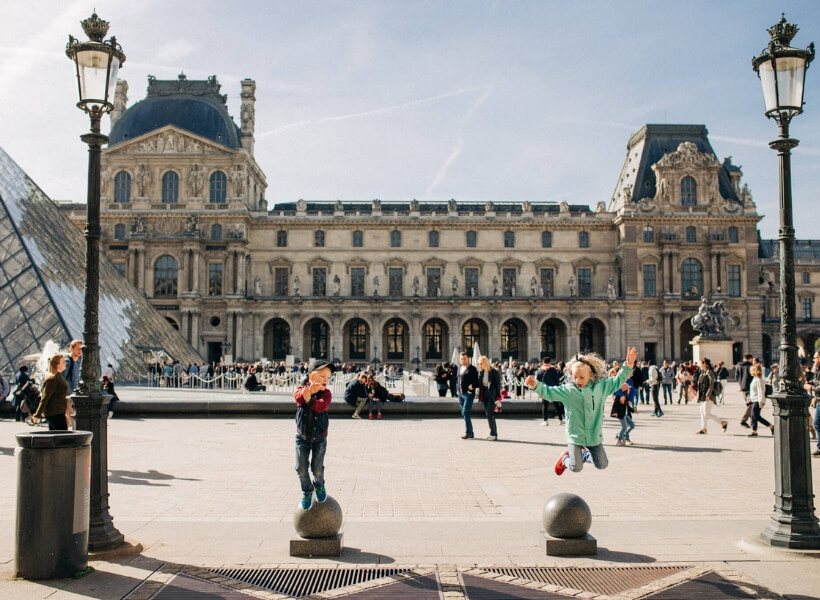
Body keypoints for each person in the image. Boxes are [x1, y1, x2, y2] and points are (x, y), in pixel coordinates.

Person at [525, 346, 637, 475]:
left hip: (594, 436)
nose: (578, 380)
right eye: (575, 377)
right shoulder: (568, 390)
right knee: (575, 467)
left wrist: (628, 365)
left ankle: (584, 455)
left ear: (590, 375)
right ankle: (564, 459)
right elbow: (549, 392)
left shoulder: (601, 387)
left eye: (582, 377)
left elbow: (618, 380)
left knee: (602, 464)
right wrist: (536, 385)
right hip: (575, 435)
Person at [293, 360, 334, 510]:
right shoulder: (302, 389)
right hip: (302, 437)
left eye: (328, 377)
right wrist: (308, 392)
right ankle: (307, 491)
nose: (325, 380)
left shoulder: (327, 394)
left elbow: (321, 406)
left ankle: (320, 485)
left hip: (320, 438)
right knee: (300, 467)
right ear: (311, 376)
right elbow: (297, 397)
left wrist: (310, 399)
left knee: (317, 468)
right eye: (322, 376)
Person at [33, 353, 72, 431]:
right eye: (63, 362)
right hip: (54, 413)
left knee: (55, 437)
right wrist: (37, 415)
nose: (66, 363)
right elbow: (45, 398)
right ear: (57, 365)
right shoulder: (52, 379)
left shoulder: (58, 376)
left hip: (58, 412)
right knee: (61, 436)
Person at [696, 358, 727, 434]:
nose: (699, 365)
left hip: (708, 395)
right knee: (702, 413)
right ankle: (704, 428)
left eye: (700, 363)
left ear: (705, 364)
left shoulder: (710, 373)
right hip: (702, 395)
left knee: (706, 413)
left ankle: (722, 422)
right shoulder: (702, 373)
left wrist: (708, 394)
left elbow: (711, 385)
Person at [477, 355, 501, 441]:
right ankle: (494, 434)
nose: (479, 365)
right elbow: (479, 384)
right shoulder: (481, 372)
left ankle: (493, 434)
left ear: (485, 363)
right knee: (490, 414)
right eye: (478, 364)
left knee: (489, 414)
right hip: (484, 394)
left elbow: (498, 385)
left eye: (480, 363)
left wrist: (498, 397)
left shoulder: (494, 372)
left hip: (492, 394)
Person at [456, 351, 479, 439]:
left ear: (468, 358)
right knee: (464, 413)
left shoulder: (472, 369)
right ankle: (471, 433)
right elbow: (457, 380)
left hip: (468, 394)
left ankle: (468, 432)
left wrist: (472, 386)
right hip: (460, 394)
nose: (463, 360)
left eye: (464, 358)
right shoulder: (459, 368)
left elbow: (476, 381)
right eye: (461, 359)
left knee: (465, 412)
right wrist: (457, 390)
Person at [748, 363, 773, 437]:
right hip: (754, 400)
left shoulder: (759, 380)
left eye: (751, 370)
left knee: (753, 416)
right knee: (757, 416)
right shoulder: (755, 379)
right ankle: (771, 426)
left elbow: (761, 391)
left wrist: (761, 402)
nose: (750, 372)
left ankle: (754, 431)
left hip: (758, 400)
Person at [536, 357, 563, 425]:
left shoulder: (540, 370)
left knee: (545, 406)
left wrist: (539, 391)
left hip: (544, 389)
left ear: (543, 362)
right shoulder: (553, 369)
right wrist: (557, 387)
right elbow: (557, 379)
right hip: (553, 389)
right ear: (549, 362)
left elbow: (537, 381)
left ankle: (545, 420)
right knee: (557, 405)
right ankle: (560, 420)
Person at [611, 380, 636, 446]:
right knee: (624, 427)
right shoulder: (619, 397)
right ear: (624, 389)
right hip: (620, 414)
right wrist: (614, 412)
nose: (629, 390)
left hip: (624, 414)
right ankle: (619, 440)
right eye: (628, 389)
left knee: (632, 425)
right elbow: (615, 405)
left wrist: (633, 411)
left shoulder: (626, 397)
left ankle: (622, 434)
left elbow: (628, 406)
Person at [736, 353, 754, 428]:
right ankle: (743, 420)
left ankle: (753, 421)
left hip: (742, 388)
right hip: (750, 388)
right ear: (750, 359)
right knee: (751, 405)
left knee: (749, 404)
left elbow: (736, 377)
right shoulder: (750, 366)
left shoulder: (738, 366)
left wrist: (741, 384)